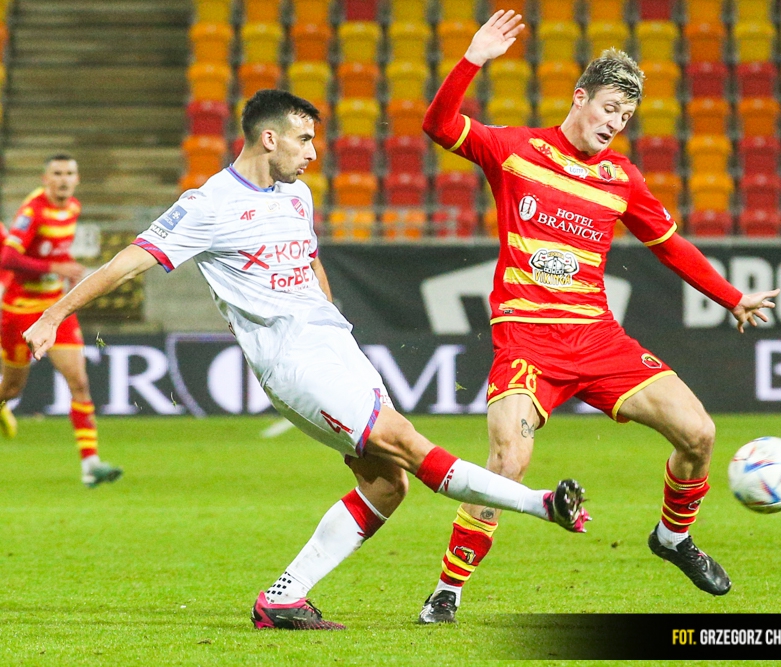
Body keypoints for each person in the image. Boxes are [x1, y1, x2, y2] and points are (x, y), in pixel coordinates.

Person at [23, 89, 591, 631]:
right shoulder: (207, 205)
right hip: (293, 362)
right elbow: (126, 262)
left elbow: (310, 259)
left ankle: (283, 598)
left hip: (335, 347)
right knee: (408, 444)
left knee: (388, 484)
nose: (314, 153)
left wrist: (330, 317)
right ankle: (543, 504)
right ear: (268, 138)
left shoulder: (296, 195)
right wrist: (53, 315)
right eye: (304, 140)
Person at [416, 11, 780, 624]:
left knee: (699, 433)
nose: (615, 123)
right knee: (508, 463)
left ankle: (672, 538)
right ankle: (447, 591)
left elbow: (670, 244)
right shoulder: (514, 151)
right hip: (528, 344)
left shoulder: (621, 179)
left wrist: (730, 297)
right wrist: (473, 58)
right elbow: (438, 125)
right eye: (609, 108)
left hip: (598, 339)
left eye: (626, 117)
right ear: (579, 97)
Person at [0, 155, 122, 488]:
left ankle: (90, 465)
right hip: (20, 310)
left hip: (55, 310)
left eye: (69, 173)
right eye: (57, 173)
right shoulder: (33, 212)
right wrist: (55, 267)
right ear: (45, 179)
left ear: (77, 179)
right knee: (11, 389)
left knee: (79, 382)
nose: (64, 179)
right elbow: (8, 257)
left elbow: (54, 252)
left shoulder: (72, 209)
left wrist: (66, 267)